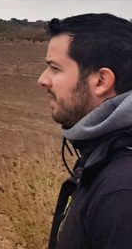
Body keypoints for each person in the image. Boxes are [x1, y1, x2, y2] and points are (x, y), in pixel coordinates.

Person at [36, 13, 132, 249]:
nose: (42, 80)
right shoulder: (106, 156)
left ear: (101, 81)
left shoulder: (122, 193)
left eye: (55, 68)